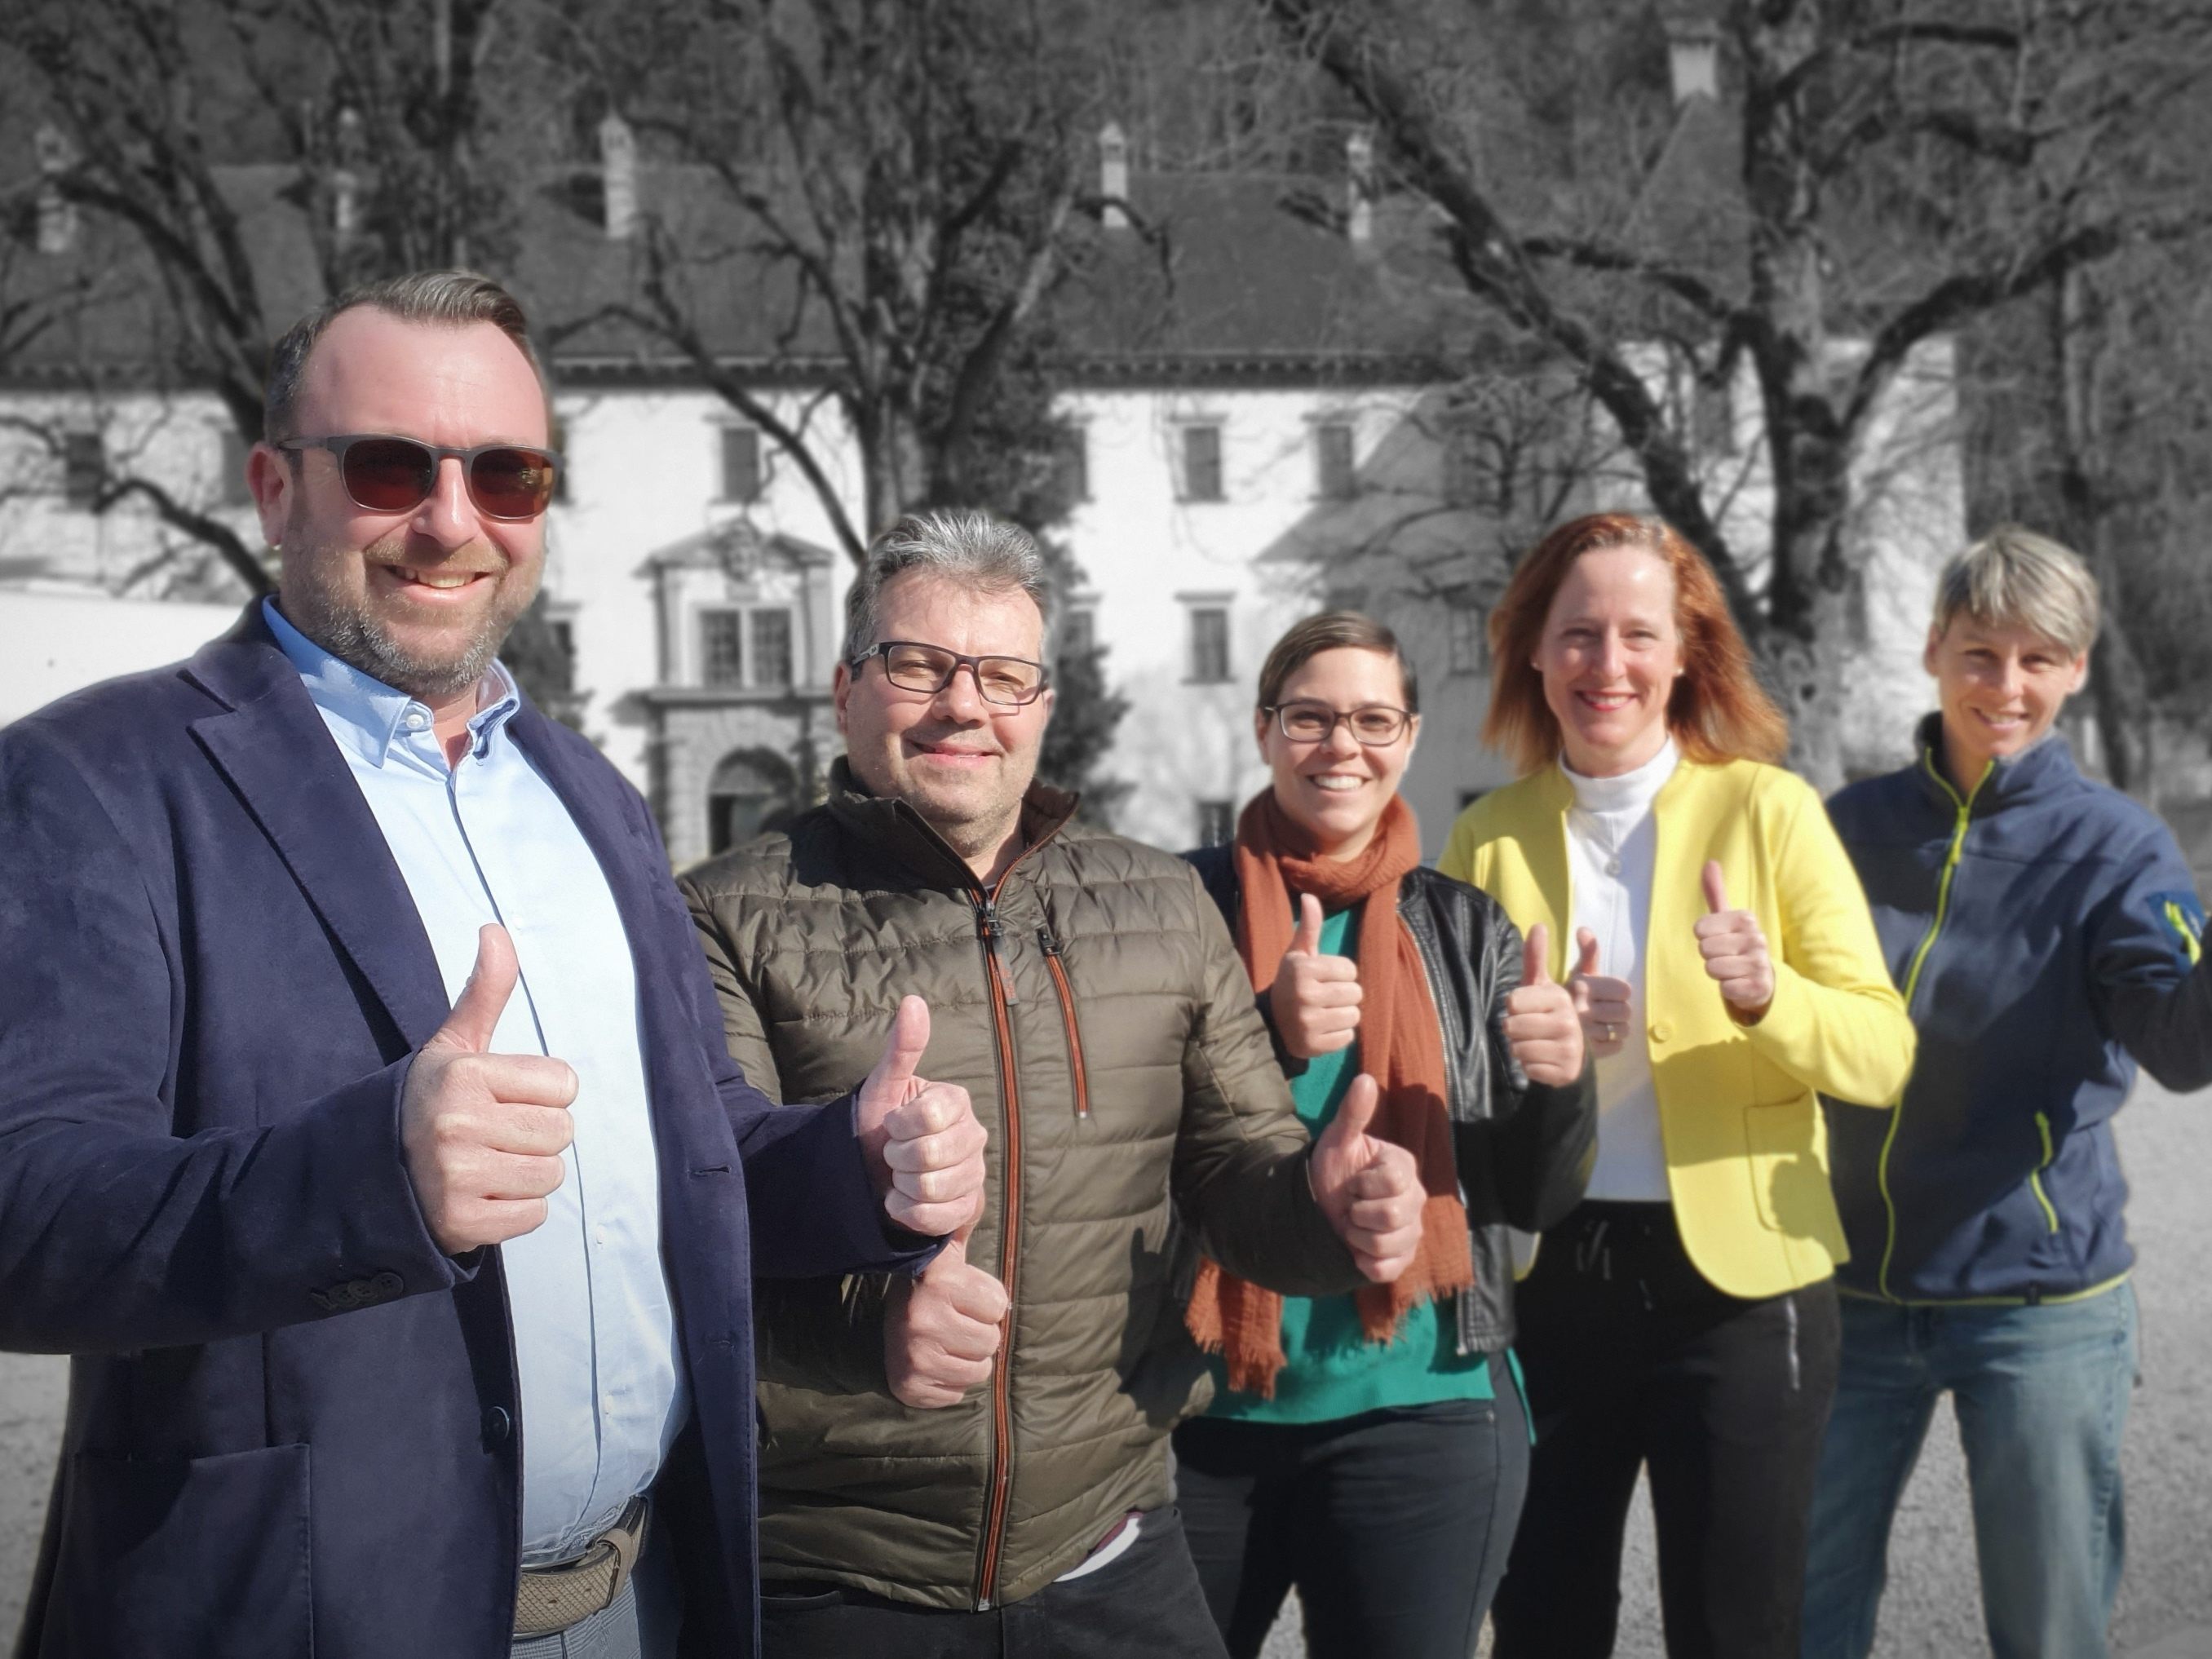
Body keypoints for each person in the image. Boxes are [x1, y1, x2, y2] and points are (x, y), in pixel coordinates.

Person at [0, 272, 986, 1659]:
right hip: (305, 1616)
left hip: (647, 1595)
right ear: (275, 487)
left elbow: (692, 1147)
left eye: (507, 475)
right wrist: (362, 1175)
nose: (452, 521)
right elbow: (24, 1209)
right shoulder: (97, 779)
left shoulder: (588, 792)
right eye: (391, 466)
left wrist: (853, 1164)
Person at [679, 511, 1431, 1658]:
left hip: (1112, 1553)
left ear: (1042, 705)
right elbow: (698, 1231)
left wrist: (1321, 1211)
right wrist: (872, 1329)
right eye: (918, 663)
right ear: (846, 690)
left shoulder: (1159, 903)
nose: (962, 703)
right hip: (834, 1574)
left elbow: (1238, 1176)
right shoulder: (722, 915)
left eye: (1002, 674)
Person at [1436, 511, 1917, 1659]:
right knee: (1545, 1625)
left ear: (1687, 651)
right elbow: (1446, 1080)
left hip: (1745, 1298)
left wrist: (1767, 998)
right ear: (1536, 655)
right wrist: (1522, 1048)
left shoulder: (1771, 808)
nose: (1610, 664)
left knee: (1738, 1630)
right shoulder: (1485, 840)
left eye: (1639, 633)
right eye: (1580, 634)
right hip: (1549, 1286)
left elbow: (1882, 1054)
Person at [1803, 528, 2212, 1659]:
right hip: (1846, 1293)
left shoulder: (2117, 848)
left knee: (2046, 1632)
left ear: (2076, 670)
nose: (2008, 686)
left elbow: (2180, 1046)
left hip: (2039, 1301)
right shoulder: (1848, 826)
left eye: (2041, 658)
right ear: (1934, 650)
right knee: (1797, 1615)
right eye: (1982, 653)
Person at [1169, 611, 1598, 1659]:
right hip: (1198, 1414)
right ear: (1265, 729)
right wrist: (1262, 1038)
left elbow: (1531, 1196)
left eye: (1371, 719)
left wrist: (1560, 1081)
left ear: (1407, 737)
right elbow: (1116, 1135)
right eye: (1311, 717)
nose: (1342, 746)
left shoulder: (1469, 929)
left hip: (1427, 1408)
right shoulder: (1174, 906)